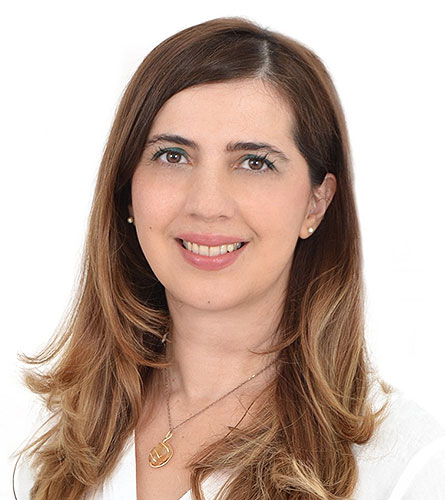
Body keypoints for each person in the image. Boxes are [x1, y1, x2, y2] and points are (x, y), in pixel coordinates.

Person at [13, 16, 445, 500]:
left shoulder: (407, 468)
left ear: (316, 203)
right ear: (127, 188)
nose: (207, 203)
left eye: (254, 162)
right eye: (172, 155)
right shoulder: (53, 439)